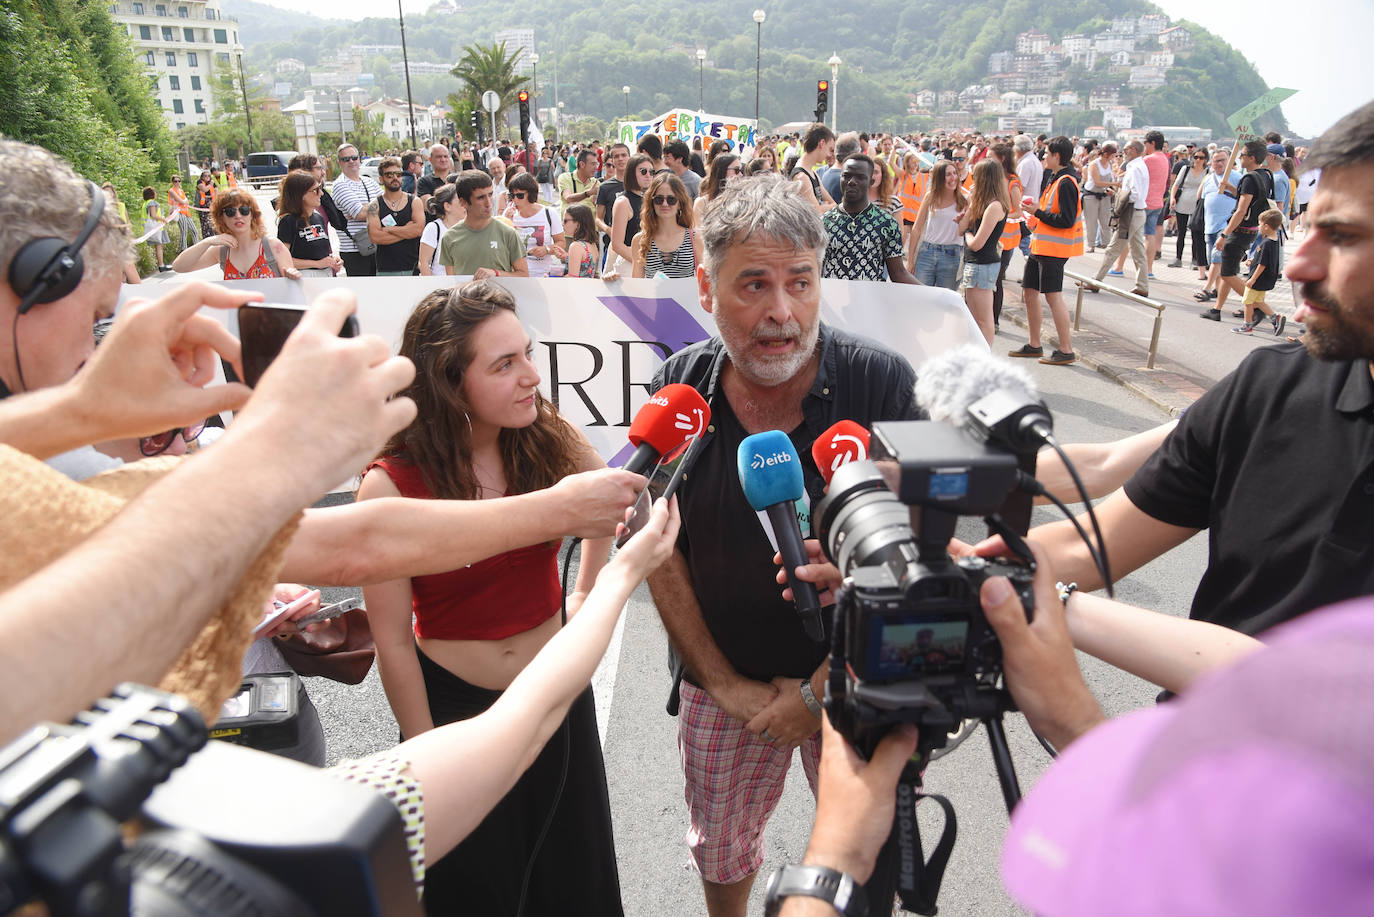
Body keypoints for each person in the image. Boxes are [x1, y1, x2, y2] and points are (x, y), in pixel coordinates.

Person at [984, 100, 1374, 637]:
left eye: (1345, 236)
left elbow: (1305, 687)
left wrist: (1044, 622)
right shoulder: (1271, 384)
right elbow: (1096, 506)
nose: (1301, 264)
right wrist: (921, 481)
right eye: (1311, 230)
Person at [647, 174, 920, 917]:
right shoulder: (681, 384)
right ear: (705, 285)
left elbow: (918, 562)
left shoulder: (882, 383)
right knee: (720, 845)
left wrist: (819, 689)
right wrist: (724, 682)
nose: (782, 311)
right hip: (720, 684)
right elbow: (661, 547)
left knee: (864, 859)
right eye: (755, 285)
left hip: (857, 682)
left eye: (801, 282)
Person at [357, 281, 624, 913]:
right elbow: (392, 640)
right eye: (504, 364)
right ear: (450, 384)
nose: (532, 376)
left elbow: (610, 497)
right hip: (455, 715)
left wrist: (585, 592)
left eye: (527, 354)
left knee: (574, 877)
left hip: (554, 700)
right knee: (477, 888)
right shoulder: (390, 486)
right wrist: (424, 757)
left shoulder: (542, 435)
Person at [1009, 135, 1083, 366]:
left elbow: (1066, 220)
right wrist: (1035, 214)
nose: (1044, 157)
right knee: (1029, 291)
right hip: (1042, 245)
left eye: (1048, 153)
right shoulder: (1056, 178)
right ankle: (1034, 344)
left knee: (1053, 296)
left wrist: (1038, 212)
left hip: (1054, 249)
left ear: (1057, 156)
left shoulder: (1067, 181)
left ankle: (1065, 349)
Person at [821, 154, 918, 284]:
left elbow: (898, 273)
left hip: (870, 302)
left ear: (871, 182)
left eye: (860, 177)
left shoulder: (887, 224)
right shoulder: (824, 223)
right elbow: (815, 270)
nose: (852, 181)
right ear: (840, 178)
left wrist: (935, 296)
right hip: (834, 301)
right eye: (847, 176)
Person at [173, 188, 299, 280]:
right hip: (236, 316)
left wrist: (292, 274)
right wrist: (207, 242)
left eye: (244, 210)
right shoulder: (221, 251)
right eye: (230, 211)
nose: (238, 216)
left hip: (271, 315)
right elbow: (179, 267)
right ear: (221, 217)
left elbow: (290, 282)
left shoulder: (272, 246)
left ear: (252, 215)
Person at [1086, 140, 1149, 297]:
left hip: (1131, 213)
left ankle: (1096, 281)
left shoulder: (1134, 168)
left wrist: (1116, 195)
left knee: (1113, 249)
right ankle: (1142, 285)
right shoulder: (1139, 166)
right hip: (1138, 212)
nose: (1123, 153)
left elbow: (1133, 195)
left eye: (1126, 149)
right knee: (1138, 251)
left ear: (1133, 150)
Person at [438, 170, 528, 279]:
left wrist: (496, 273)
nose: (488, 203)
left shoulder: (508, 233)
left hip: (500, 295)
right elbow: (451, 281)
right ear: (463, 202)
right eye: (480, 197)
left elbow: (524, 276)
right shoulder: (449, 237)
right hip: (465, 295)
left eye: (490, 195)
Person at [958, 158, 1009, 345]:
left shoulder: (994, 206)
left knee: (983, 319)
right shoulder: (983, 203)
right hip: (976, 263)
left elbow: (977, 243)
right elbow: (960, 227)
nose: (973, 180)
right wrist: (970, 207)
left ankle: (984, 357)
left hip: (983, 264)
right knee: (972, 317)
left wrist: (968, 234)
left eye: (976, 176)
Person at [905, 159, 966, 290]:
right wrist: (910, 260)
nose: (953, 178)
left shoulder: (965, 200)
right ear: (939, 178)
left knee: (945, 300)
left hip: (951, 255)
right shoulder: (930, 196)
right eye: (948, 174)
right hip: (927, 252)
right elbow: (916, 229)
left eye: (955, 173)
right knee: (921, 296)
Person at [631, 172, 701, 279]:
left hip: (686, 296)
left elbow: (706, 280)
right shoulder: (640, 240)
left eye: (671, 199)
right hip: (653, 296)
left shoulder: (695, 238)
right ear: (652, 203)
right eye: (659, 199)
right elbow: (636, 285)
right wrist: (613, 281)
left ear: (680, 203)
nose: (665, 204)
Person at [276, 171, 342, 277]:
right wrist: (317, 264)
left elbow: (319, 252)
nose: (321, 193)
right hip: (304, 278)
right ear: (301, 195)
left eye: (320, 188)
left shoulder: (318, 217)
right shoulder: (288, 221)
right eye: (315, 190)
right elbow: (282, 259)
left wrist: (333, 260)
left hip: (326, 275)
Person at [367, 157, 424, 277]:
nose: (395, 178)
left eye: (398, 174)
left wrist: (389, 229)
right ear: (381, 179)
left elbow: (418, 230)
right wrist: (407, 231)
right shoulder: (374, 206)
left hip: (413, 267)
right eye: (389, 175)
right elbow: (375, 237)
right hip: (386, 270)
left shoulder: (415, 201)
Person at [331, 143, 382, 277]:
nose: (351, 161)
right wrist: (374, 207)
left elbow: (388, 205)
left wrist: (365, 208)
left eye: (354, 157)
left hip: (377, 245)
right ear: (339, 163)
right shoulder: (340, 185)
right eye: (346, 159)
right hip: (354, 251)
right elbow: (359, 213)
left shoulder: (369, 181)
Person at [990, 143, 1026, 332]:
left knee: (996, 280)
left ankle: (994, 320)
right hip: (992, 236)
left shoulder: (1012, 182)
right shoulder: (994, 178)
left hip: (1006, 239)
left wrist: (997, 215)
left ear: (1002, 159)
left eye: (991, 155)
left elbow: (1018, 211)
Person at [1233, 209, 1286, 335]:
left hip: (1258, 278)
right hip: (1266, 278)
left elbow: (1262, 264)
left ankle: (1247, 326)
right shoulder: (1275, 240)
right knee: (1258, 301)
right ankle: (1275, 317)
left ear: (1266, 226)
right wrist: (1253, 260)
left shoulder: (1266, 243)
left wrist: (1252, 279)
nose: (1258, 227)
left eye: (1260, 224)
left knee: (1247, 301)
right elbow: (1265, 259)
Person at [504, 172, 565, 278]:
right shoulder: (509, 214)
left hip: (542, 274)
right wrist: (506, 221)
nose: (515, 199)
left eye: (519, 195)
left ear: (531, 194)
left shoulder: (549, 213)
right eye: (511, 196)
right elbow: (501, 245)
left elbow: (561, 242)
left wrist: (546, 249)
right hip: (516, 274)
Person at [609, 153, 654, 275]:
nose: (648, 175)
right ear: (631, 173)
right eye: (643, 171)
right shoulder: (623, 202)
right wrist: (641, 263)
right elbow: (617, 244)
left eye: (651, 172)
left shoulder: (649, 199)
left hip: (648, 263)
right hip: (629, 265)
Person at [1168, 146, 1206, 268]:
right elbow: (1176, 184)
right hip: (1183, 202)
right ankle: (1178, 257)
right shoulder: (1186, 169)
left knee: (1197, 233)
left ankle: (1195, 259)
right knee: (1181, 232)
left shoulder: (1208, 172)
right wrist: (1172, 198)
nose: (1198, 160)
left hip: (1198, 205)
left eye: (1201, 157)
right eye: (1196, 157)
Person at [418, 183, 464, 277]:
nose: (465, 205)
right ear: (447, 206)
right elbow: (423, 262)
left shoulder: (468, 228)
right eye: (461, 201)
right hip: (439, 287)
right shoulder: (434, 228)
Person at [595, 142, 630, 265]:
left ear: (629, 157)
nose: (620, 159)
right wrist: (608, 229)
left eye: (623, 155)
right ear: (612, 160)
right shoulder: (605, 187)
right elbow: (598, 218)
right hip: (612, 245)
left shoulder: (640, 184)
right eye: (616, 156)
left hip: (637, 244)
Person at [1080, 142, 1119, 252]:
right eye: (1113, 155)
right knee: (1091, 221)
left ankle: (1107, 243)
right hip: (1091, 195)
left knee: (1106, 221)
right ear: (1106, 154)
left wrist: (1112, 188)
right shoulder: (1094, 164)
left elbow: (1109, 180)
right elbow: (1097, 182)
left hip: (1105, 194)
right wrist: (1115, 185)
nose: (1114, 157)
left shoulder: (1110, 164)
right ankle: (1091, 244)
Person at [790, 123, 837, 212]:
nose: (830, 155)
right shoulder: (802, 177)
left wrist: (825, 207)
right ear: (822, 143)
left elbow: (834, 204)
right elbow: (817, 212)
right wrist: (825, 206)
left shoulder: (812, 173)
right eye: (830, 149)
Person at [694, 152, 744, 223]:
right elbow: (697, 232)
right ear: (722, 171)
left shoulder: (743, 201)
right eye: (737, 170)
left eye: (741, 170)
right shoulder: (701, 203)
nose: (741, 174)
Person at [560, 203, 601, 278]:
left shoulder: (576, 246)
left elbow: (572, 277)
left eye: (565, 221)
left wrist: (552, 278)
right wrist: (566, 256)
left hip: (576, 289)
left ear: (578, 223)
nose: (562, 224)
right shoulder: (592, 244)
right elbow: (584, 264)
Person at [141, 186, 170, 271]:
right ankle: (161, 265)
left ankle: (161, 264)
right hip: (155, 228)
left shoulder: (145, 203)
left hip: (148, 228)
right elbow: (153, 215)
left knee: (157, 246)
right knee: (159, 246)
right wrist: (163, 219)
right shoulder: (152, 203)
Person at [167, 174, 198, 250]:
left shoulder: (181, 190)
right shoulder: (171, 191)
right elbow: (181, 200)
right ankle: (183, 249)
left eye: (179, 181)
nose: (177, 183)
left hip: (186, 212)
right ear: (173, 182)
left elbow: (186, 201)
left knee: (194, 230)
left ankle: (197, 247)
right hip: (179, 212)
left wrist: (183, 201)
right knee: (184, 231)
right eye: (175, 181)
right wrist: (183, 201)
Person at [193, 171, 216, 239]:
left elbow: (216, 190)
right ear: (202, 177)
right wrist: (210, 185)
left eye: (209, 176)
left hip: (211, 203)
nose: (207, 177)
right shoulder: (200, 182)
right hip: (203, 205)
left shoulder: (211, 182)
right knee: (205, 224)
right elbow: (204, 189)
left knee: (213, 221)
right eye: (205, 176)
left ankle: (214, 236)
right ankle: (207, 238)